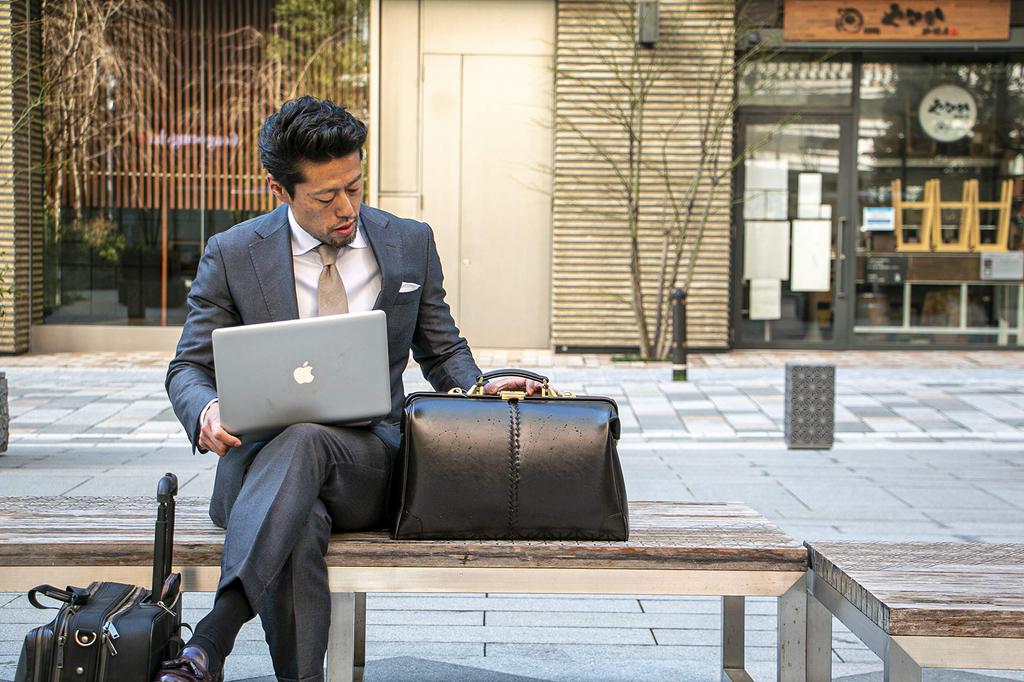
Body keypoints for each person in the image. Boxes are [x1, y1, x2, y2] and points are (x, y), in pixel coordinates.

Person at [159, 96, 542, 682]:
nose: (347, 208)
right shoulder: (234, 253)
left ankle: (212, 637)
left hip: (367, 464)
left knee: (310, 440)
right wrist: (207, 408)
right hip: (260, 470)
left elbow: (442, 351)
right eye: (324, 196)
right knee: (300, 520)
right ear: (278, 189)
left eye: (355, 187)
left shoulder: (407, 242)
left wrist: (481, 388)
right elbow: (187, 368)